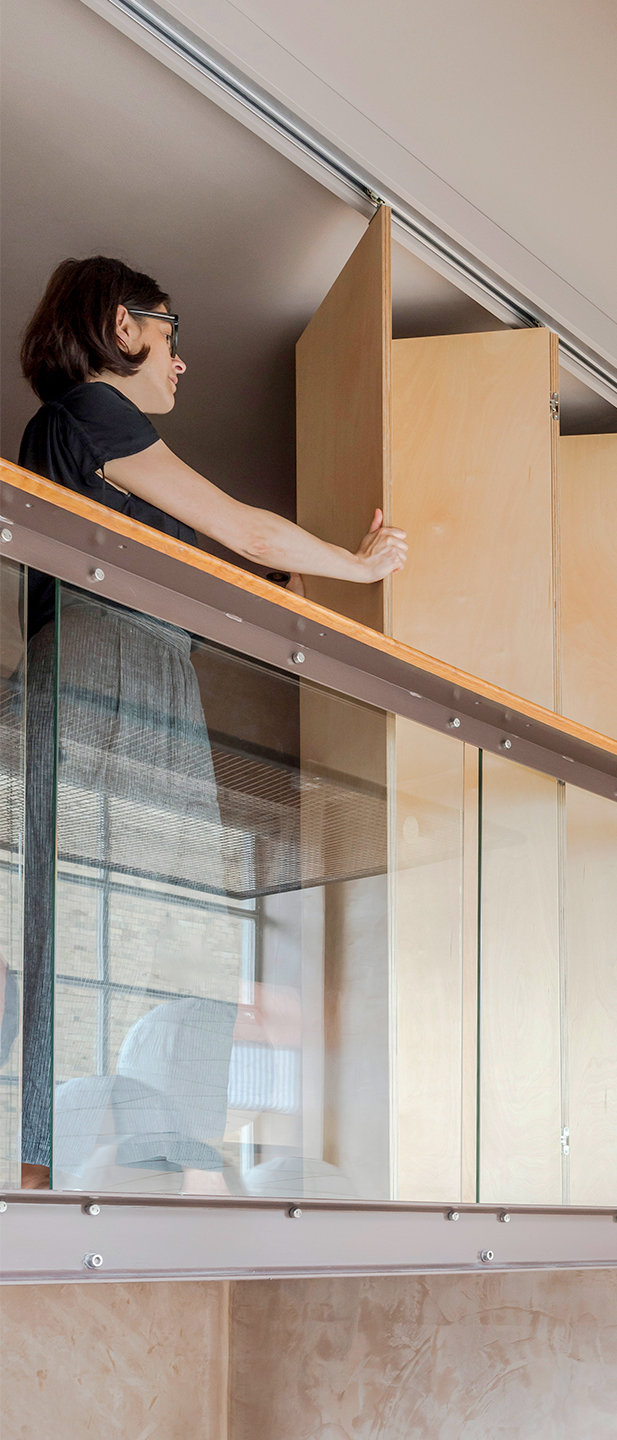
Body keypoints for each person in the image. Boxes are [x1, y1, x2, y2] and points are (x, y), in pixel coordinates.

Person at [16, 255, 406, 1189]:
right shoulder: (89, 411)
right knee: (140, 917)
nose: (181, 358)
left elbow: (231, 563)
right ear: (123, 327)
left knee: (102, 919)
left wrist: (281, 576)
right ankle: (90, 1163)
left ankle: (64, 1162)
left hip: (119, 666)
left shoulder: (86, 455)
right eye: (171, 332)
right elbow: (249, 533)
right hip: (112, 663)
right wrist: (362, 565)